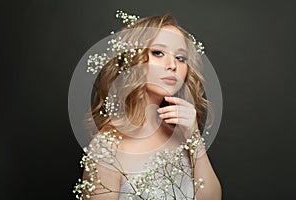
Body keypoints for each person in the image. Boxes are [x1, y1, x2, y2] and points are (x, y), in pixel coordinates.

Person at [75, 11, 221, 200]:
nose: (172, 65)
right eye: (158, 53)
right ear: (133, 60)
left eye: (181, 57)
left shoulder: (181, 133)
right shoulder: (107, 146)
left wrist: (194, 138)